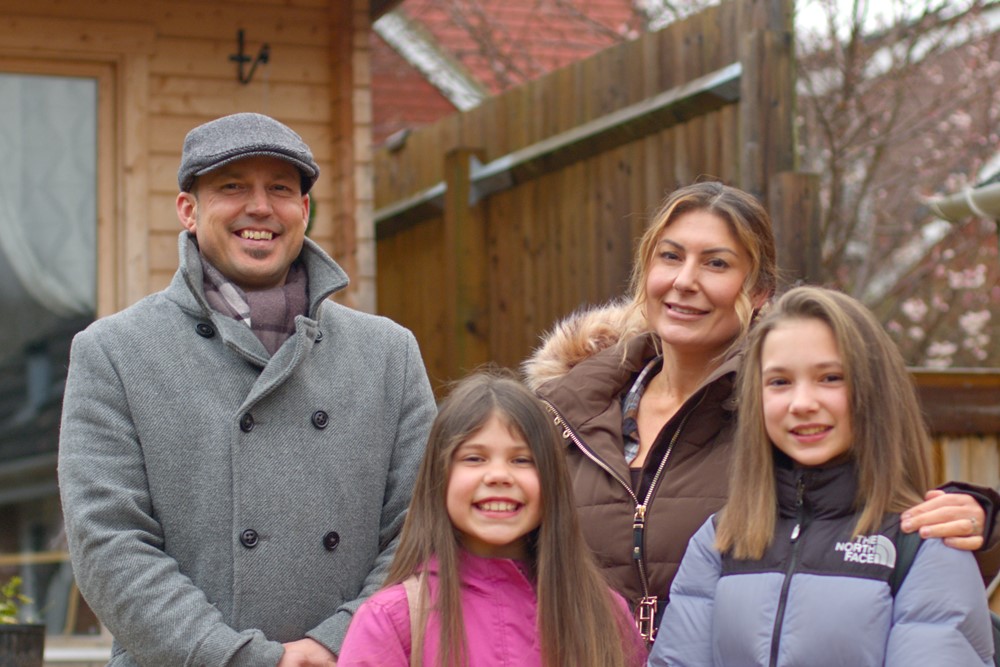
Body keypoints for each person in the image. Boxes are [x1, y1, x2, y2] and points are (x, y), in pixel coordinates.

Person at [522, 180, 997, 643]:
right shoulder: (566, 412)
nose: (685, 281)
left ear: (759, 291)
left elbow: (868, 516)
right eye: (670, 256)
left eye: (716, 263)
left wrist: (983, 513)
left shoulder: (785, 413)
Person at [58, 112, 437, 666]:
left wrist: (338, 643)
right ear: (188, 209)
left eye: (280, 189)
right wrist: (244, 659)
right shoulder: (114, 353)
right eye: (232, 186)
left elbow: (421, 531)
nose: (259, 207)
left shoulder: (388, 354)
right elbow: (109, 545)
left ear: (303, 211)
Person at [650, 286, 994, 666]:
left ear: (873, 391)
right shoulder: (719, 540)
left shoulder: (923, 544)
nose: (802, 404)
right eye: (779, 382)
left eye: (830, 378)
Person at [336, 371, 647, 667]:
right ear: (438, 477)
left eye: (521, 460)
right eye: (474, 458)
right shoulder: (392, 619)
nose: (499, 475)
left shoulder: (602, 614)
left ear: (552, 479)